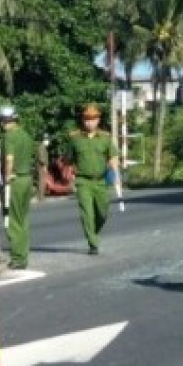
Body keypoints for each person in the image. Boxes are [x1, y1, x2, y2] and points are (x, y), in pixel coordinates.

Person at [62, 103, 120, 256]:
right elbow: (68, 159)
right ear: (83, 120)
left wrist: (115, 172)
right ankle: (93, 243)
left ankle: (93, 232)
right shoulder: (75, 139)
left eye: (93, 119)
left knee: (102, 212)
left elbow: (113, 156)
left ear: (98, 120)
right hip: (83, 181)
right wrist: (69, 172)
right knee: (87, 213)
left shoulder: (105, 138)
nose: (90, 122)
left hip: (101, 181)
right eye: (87, 119)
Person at [0, 106, 37, 270]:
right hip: (27, 178)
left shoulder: (9, 136)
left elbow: (9, 158)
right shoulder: (26, 135)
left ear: (4, 121)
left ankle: (18, 258)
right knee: (23, 219)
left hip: (15, 180)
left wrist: (7, 176)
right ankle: (23, 255)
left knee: (11, 219)